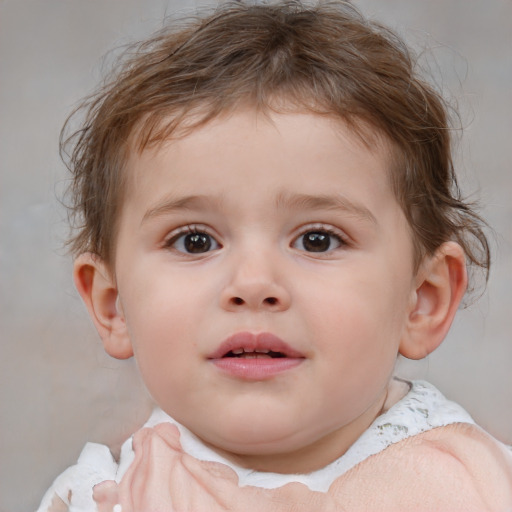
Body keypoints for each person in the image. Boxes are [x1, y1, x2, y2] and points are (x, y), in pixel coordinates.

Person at [37, 1, 512, 510]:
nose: (254, 283)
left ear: (422, 300)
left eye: (317, 240)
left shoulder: (472, 487)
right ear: (113, 305)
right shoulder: (103, 498)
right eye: (195, 240)